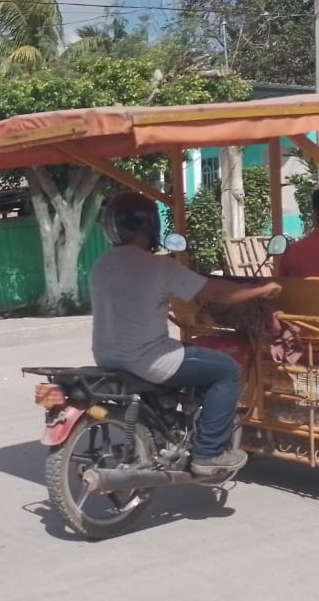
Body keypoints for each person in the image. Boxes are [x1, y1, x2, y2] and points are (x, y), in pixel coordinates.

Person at [89, 192, 283, 478]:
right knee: (226, 371)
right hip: (148, 360)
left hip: (107, 356)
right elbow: (215, 292)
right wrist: (263, 289)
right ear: (150, 227)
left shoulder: (100, 266)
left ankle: (166, 430)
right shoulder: (158, 266)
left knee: (187, 354)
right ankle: (209, 452)